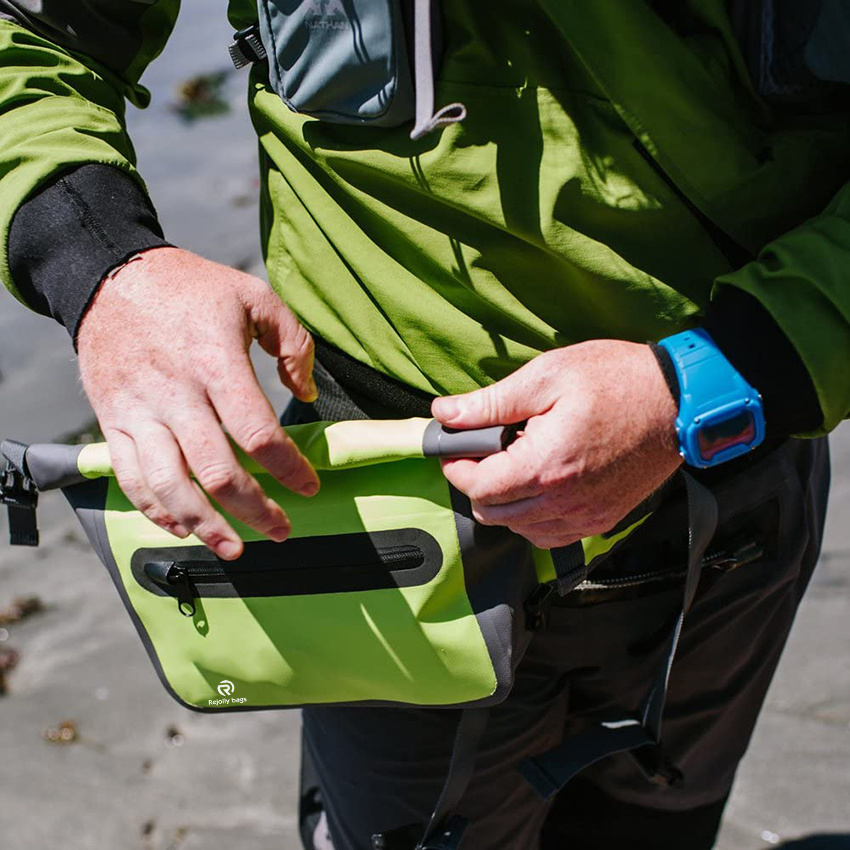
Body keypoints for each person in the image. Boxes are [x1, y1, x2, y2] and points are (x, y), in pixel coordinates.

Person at [0, 2, 847, 848]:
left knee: (658, 822)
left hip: (735, 466)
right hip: (387, 514)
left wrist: (710, 381)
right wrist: (104, 267)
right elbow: (26, 31)